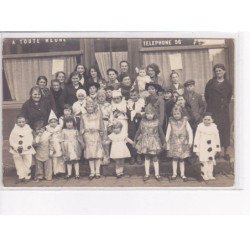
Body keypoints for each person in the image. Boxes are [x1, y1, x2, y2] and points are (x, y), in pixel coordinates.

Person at [205, 64, 233, 160]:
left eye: (220, 70)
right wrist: (212, 105)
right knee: (214, 130)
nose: (218, 72)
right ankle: (216, 151)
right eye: (216, 71)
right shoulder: (211, 83)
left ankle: (225, 152)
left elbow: (229, 97)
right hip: (213, 110)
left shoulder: (228, 84)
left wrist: (223, 104)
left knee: (225, 130)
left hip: (223, 110)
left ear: (224, 71)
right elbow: (206, 95)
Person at [134, 103, 166, 181]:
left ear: (154, 114)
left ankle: (157, 174)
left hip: (154, 142)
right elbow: (138, 131)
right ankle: (147, 174)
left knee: (155, 157)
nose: (149, 115)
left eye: (151, 114)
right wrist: (135, 140)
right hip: (145, 142)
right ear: (145, 114)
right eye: (148, 114)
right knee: (147, 157)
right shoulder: (142, 122)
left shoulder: (157, 122)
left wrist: (164, 142)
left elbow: (161, 133)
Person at [165, 106, 193, 182]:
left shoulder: (185, 121)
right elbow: (168, 132)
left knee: (182, 159)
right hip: (174, 142)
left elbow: (189, 131)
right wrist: (166, 141)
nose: (176, 115)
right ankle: (174, 174)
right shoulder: (171, 121)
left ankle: (182, 174)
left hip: (183, 142)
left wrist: (190, 141)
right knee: (174, 158)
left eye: (178, 114)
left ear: (181, 113)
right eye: (174, 114)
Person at [80, 97, 104, 180]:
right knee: (90, 154)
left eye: (91, 107)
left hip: (96, 136)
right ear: (86, 108)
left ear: (94, 107)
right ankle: (92, 172)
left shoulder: (98, 115)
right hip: (88, 136)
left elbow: (101, 126)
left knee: (97, 154)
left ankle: (97, 171)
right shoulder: (83, 116)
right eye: (88, 107)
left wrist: (100, 133)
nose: (90, 108)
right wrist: (84, 133)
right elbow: (81, 128)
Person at [193, 112, 221, 181]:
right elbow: (196, 138)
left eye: (209, 120)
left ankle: (210, 174)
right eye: (205, 119)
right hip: (202, 147)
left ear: (212, 120)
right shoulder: (200, 127)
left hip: (212, 147)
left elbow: (217, 138)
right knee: (204, 161)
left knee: (210, 161)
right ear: (202, 119)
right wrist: (196, 149)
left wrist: (217, 148)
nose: (207, 121)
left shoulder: (214, 127)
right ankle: (204, 174)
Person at [9, 114, 36, 183]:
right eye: (19, 122)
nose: (21, 123)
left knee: (27, 163)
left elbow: (30, 139)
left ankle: (27, 176)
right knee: (18, 163)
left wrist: (25, 146)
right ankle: (21, 176)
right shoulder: (14, 130)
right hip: (16, 150)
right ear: (17, 122)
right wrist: (16, 147)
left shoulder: (28, 129)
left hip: (27, 149)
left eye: (23, 122)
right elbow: (11, 139)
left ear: (25, 122)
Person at [45, 110, 66, 178]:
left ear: (57, 122)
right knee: (54, 160)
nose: (53, 123)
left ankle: (62, 171)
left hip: (59, 145)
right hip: (52, 146)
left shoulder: (59, 129)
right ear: (49, 123)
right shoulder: (48, 130)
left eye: (55, 122)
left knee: (61, 159)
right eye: (51, 122)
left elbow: (62, 138)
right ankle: (56, 172)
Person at [127, 90, 145, 165]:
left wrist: (137, 114)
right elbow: (128, 112)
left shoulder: (141, 102)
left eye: (135, 95)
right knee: (132, 137)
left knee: (139, 137)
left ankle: (139, 155)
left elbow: (143, 112)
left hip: (140, 121)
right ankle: (133, 156)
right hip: (131, 122)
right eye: (132, 95)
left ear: (138, 95)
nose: (133, 97)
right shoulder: (129, 103)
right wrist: (135, 113)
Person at [97, 89, 114, 165]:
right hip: (97, 124)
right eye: (99, 96)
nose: (101, 98)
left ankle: (106, 157)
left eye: (103, 96)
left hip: (105, 123)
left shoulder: (108, 105)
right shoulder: (95, 105)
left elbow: (111, 116)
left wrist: (110, 125)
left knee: (105, 142)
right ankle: (99, 157)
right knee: (98, 141)